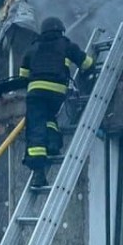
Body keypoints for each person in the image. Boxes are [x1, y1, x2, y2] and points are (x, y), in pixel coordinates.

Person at [19, 17, 94, 188]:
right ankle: (52, 144)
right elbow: (87, 63)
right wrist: (89, 74)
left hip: (36, 93)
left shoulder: (32, 48)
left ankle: (38, 173)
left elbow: (23, 76)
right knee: (50, 118)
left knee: (36, 128)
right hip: (57, 93)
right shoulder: (66, 44)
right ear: (61, 30)